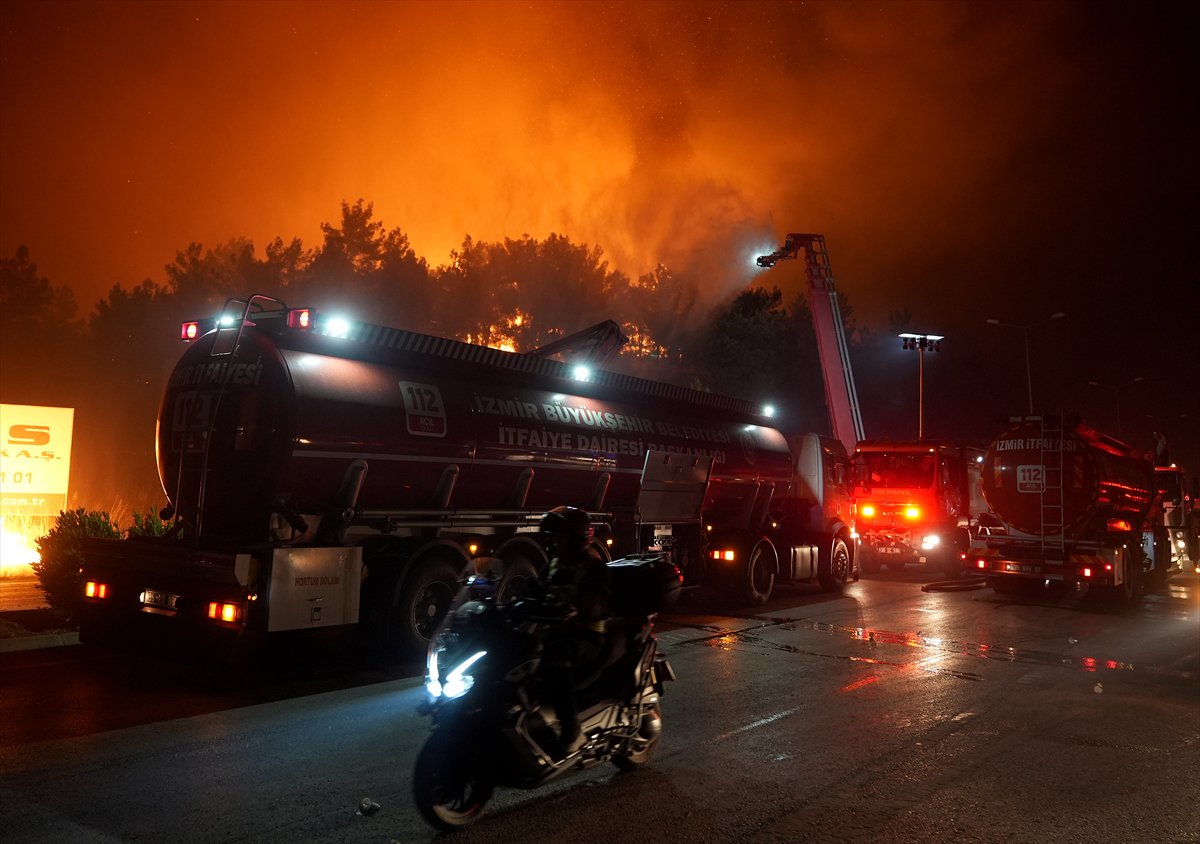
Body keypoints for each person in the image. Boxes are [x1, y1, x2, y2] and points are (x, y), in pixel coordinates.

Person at [537, 505, 612, 759]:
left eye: (559, 536)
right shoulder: (554, 564)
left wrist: (578, 608)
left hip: (586, 637)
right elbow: (535, 590)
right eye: (552, 537)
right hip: (557, 632)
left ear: (577, 536)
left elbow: (599, 601)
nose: (554, 543)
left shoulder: (593, 566)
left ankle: (571, 729)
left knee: (554, 661)